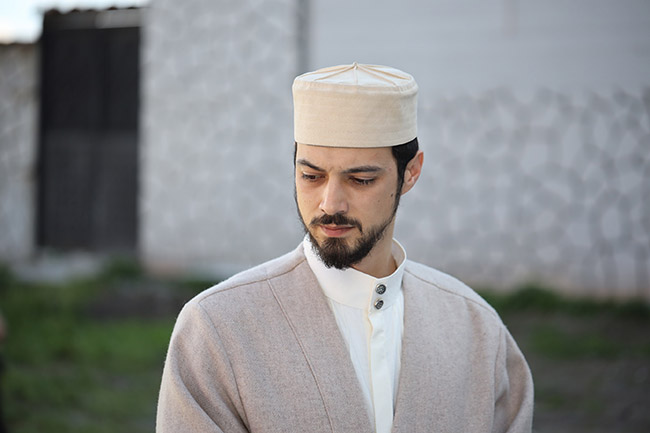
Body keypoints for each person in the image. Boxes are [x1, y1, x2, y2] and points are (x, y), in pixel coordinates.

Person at [156, 63, 534, 433]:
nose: (330, 204)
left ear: (411, 173)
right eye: (311, 176)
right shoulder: (218, 330)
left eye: (361, 179)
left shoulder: (475, 329)